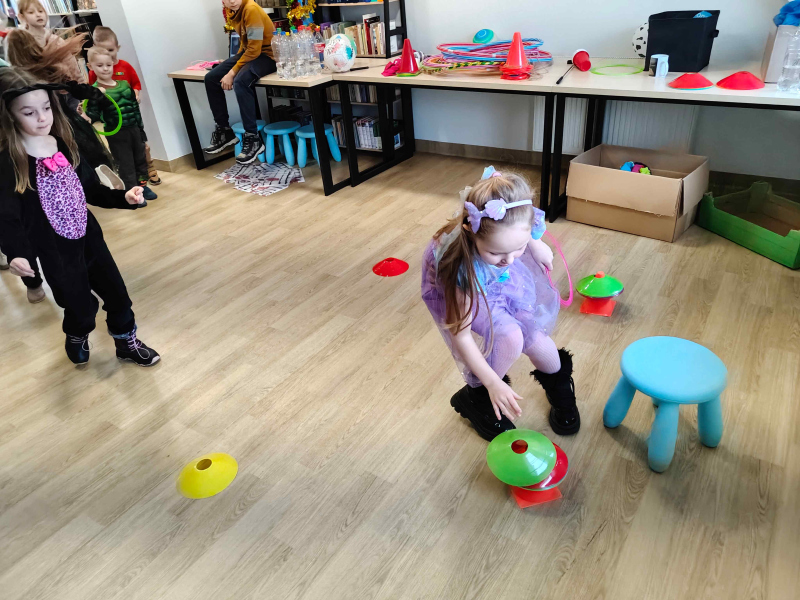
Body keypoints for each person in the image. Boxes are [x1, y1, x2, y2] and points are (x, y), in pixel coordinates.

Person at [0, 67, 160, 366]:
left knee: (117, 294)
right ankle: (77, 333)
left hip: (89, 236)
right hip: (55, 250)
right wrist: (17, 253)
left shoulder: (62, 143)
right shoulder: (9, 161)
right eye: (29, 113)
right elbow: (7, 216)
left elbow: (90, 189)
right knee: (79, 306)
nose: (42, 118)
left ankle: (126, 342)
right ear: (9, 115)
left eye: (46, 108)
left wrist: (123, 197)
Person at [421, 167, 580, 441]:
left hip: (499, 280)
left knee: (540, 345)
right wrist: (493, 383)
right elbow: (461, 336)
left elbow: (520, 229)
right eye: (497, 252)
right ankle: (478, 397)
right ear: (471, 232)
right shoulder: (463, 269)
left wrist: (534, 244)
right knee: (510, 337)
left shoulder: (510, 235)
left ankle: (560, 387)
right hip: (471, 286)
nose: (509, 260)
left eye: (517, 249)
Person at [203, 0, 276, 164]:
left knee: (240, 81)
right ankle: (224, 130)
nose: (232, 1)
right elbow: (245, 44)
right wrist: (230, 63)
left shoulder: (251, 9)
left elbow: (255, 49)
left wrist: (232, 71)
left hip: (267, 56)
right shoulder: (233, 11)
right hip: (250, 53)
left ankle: (253, 137)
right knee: (211, 78)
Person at [89, 26, 161, 187]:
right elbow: (92, 102)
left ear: (117, 48)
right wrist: (88, 112)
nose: (105, 68)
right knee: (124, 160)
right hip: (115, 128)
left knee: (141, 154)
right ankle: (131, 189)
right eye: (100, 65)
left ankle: (144, 184)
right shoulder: (95, 78)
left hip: (132, 123)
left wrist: (134, 94)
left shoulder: (125, 70)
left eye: (110, 50)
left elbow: (136, 85)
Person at [11, 0, 85, 84]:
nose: (38, 15)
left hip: (64, 86)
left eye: (40, 11)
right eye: (31, 12)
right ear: (21, 16)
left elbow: (72, 66)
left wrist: (81, 84)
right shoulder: (21, 42)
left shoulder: (55, 40)